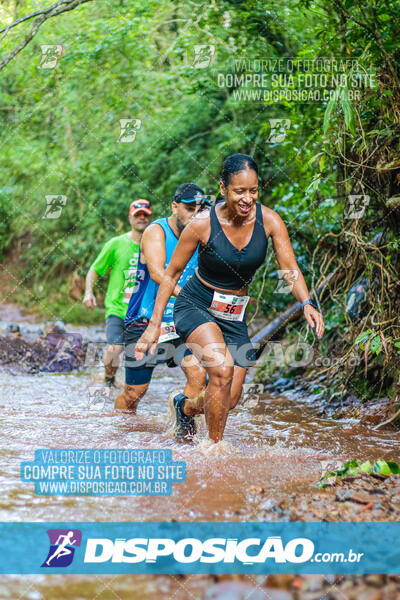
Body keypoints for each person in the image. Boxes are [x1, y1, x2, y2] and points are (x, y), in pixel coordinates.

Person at [135, 154, 325, 443]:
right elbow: (170, 274)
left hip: (234, 315)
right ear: (223, 189)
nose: (247, 199)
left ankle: (184, 407)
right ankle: (214, 449)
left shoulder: (270, 221)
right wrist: (153, 326)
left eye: (253, 190)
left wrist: (306, 302)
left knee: (230, 397)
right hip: (196, 305)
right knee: (221, 371)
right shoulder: (201, 224)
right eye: (239, 191)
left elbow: (290, 268)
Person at [115, 183, 210, 436]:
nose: (195, 216)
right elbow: (158, 273)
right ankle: (119, 429)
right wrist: (190, 296)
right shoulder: (156, 231)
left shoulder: (202, 233)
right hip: (145, 320)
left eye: (200, 211)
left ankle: (182, 427)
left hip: (181, 319)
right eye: (189, 209)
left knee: (199, 376)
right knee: (135, 392)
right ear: (174, 206)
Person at [83, 200, 152, 387]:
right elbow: (94, 270)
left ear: (150, 217)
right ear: (130, 217)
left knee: (140, 354)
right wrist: (88, 292)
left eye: (145, 214)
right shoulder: (116, 244)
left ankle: (134, 388)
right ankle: (109, 380)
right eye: (138, 215)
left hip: (142, 311)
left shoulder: (155, 245)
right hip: (117, 308)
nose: (142, 218)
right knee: (114, 349)